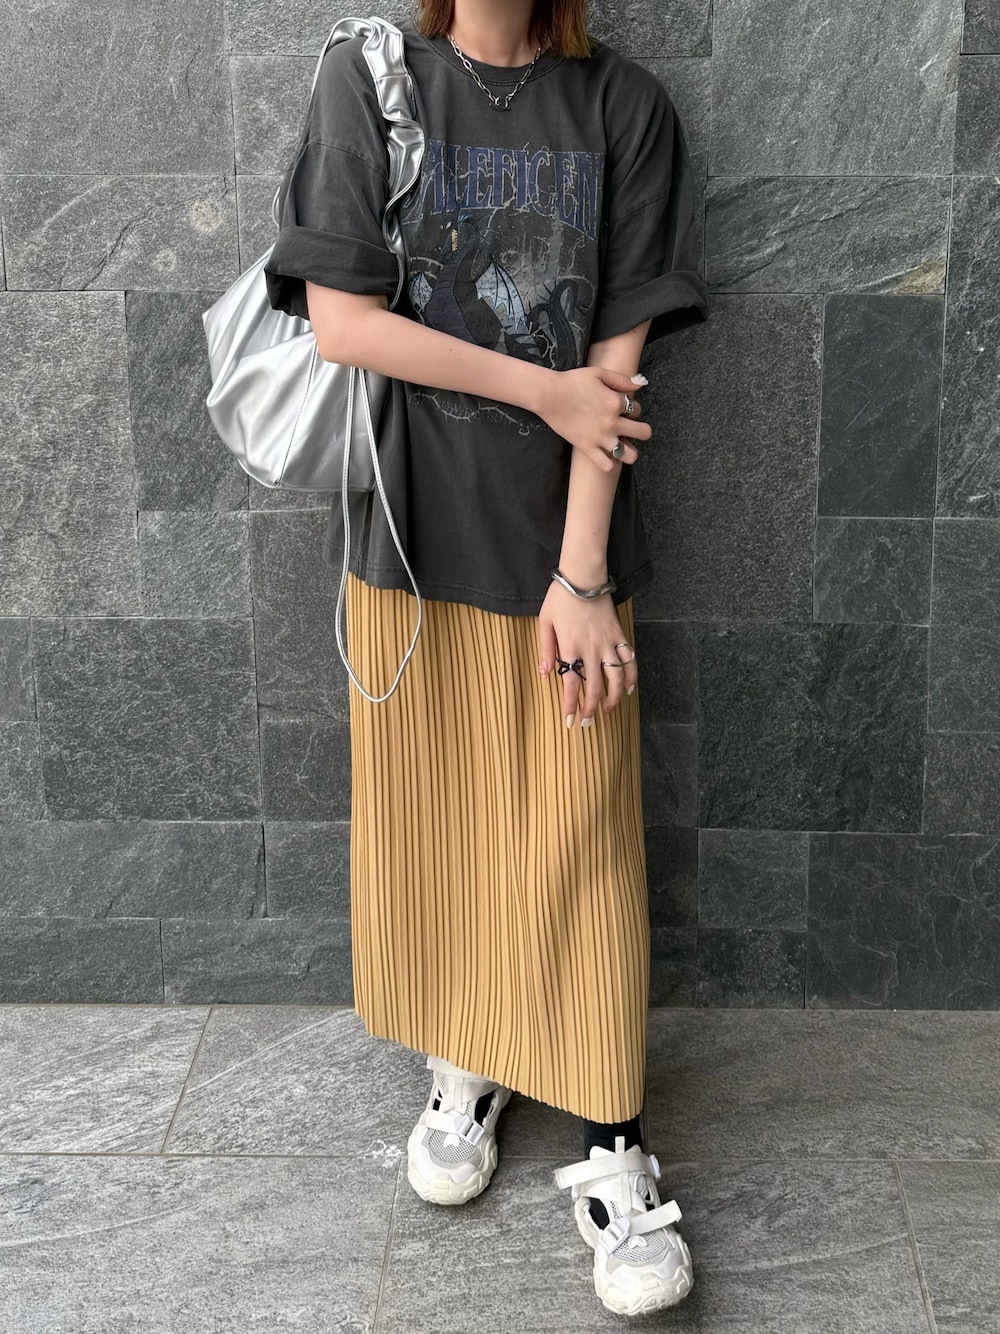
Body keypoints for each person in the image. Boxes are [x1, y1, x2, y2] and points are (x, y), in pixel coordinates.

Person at [264, 0, 708, 1316]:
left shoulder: (624, 109)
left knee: (584, 841)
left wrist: (583, 575)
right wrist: (540, 387)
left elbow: (615, 373)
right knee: (442, 829)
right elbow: (343, 323)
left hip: (561, 558)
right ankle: (470, 1058)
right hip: (407, 544)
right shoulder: (370, 79)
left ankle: (613, 1140)